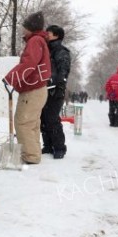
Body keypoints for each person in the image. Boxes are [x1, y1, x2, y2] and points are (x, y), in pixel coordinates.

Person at [3, 11, 51, 164]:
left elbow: (29, 64)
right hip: (38, 88)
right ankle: (33, 153)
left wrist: (11, 78)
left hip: (33, 89)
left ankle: (30, 156)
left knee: (23, 122)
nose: (23, 30)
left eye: (25, 27)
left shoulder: (35, 41)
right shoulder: (39, 40)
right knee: (32, 123)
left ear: (31, 27)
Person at [40, 25, 71, 159]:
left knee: (52, 119)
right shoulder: (46, 49)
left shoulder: (61, 51)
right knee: (43, 118)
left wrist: (58, 86)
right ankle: (48, 145)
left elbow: (63, 71)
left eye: (49, 33)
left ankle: (59, 147)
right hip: (43, 89)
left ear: (57, 35)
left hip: (55, 91)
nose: (46, 34)